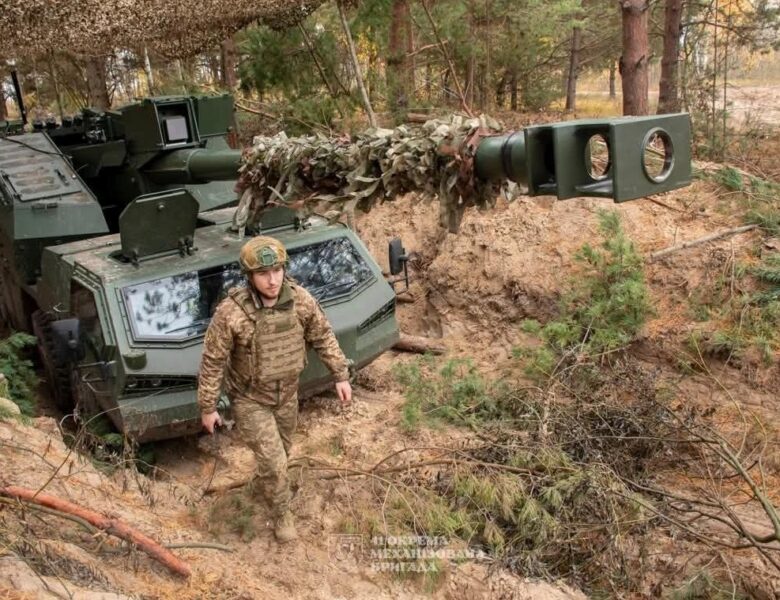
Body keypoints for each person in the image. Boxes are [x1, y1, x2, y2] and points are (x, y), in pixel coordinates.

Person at [198, 236, 352, 543]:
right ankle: (282, 514)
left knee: (282, 452)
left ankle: (264, 484)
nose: (272, 280)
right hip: (250, 400)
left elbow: (323, 336)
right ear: (249, 276)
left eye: (277, 271)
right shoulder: (231, 313)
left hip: (288, 396)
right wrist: (208, 406)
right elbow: (212, 360)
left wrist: (340, 375)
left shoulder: (301, 300)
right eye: (263, 273)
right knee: (276, 462)